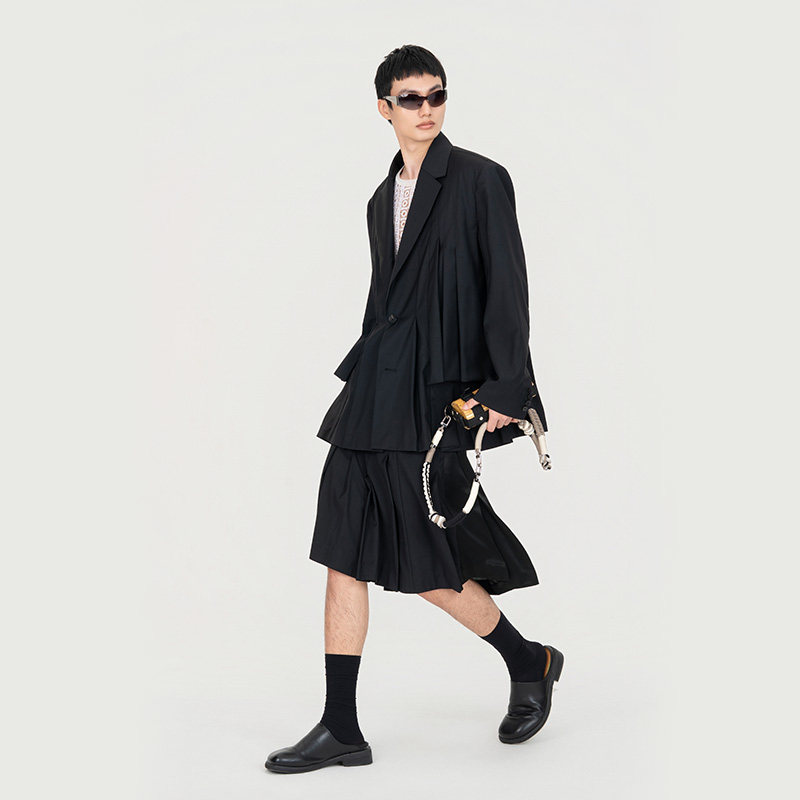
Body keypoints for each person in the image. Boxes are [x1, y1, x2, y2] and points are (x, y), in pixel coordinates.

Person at [265, 45, 563, 775]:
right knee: (341, 546)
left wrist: (506, 389)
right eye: (410, 98)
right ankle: (341, 726)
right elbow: (384, 303)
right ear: (384, 108)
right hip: (376, 387)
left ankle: (528, 660)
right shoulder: (380, 199)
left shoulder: (481, 179)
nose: (426, 108)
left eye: (436, 95)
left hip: (436, 393)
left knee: (428, 563)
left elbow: (508, 287)